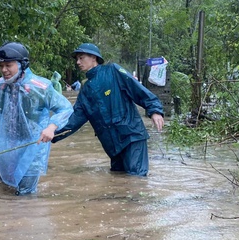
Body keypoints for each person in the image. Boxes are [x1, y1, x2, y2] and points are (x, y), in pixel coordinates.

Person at [0, 42, 73, 195]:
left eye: (8, 65)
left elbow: (65, 108)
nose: (4, 70)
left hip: (32, 147)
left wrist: (51, 127)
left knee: (24, 195)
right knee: (4, 189)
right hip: (7, 148)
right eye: (1, 66)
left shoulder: (40, 87)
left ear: (22, 64)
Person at [53, 43, 164, 176]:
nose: (78, 62)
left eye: (81, 58)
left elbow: (136, 89)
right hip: (112, 145)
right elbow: (75, 118)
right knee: (118, 183)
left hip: (131, 136)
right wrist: (53, 133)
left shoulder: (113, 71)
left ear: (93, 57)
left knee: (136, 180)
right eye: (77, 59)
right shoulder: (86, 89)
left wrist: (155, 110)